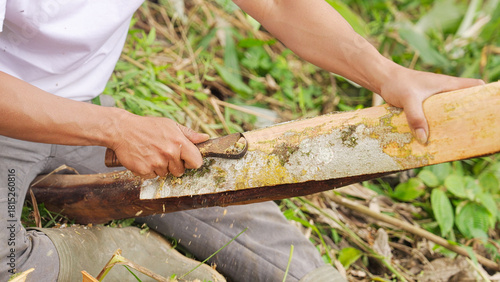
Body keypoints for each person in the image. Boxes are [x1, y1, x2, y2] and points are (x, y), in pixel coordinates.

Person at [0, 0, 484, 281]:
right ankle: (133, 257)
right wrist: (115, 129)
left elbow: (277, 4)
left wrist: (387, 74)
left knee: (251, 222)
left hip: (84, 107)